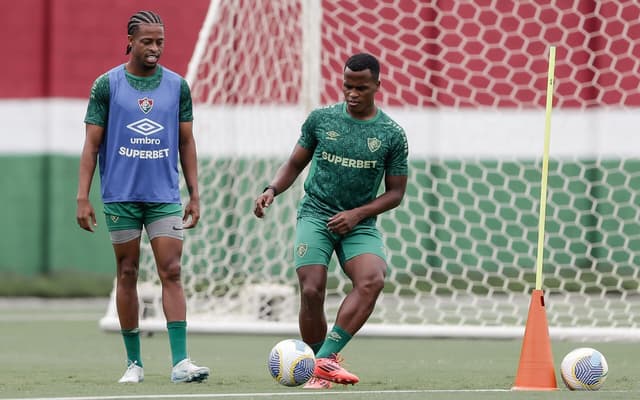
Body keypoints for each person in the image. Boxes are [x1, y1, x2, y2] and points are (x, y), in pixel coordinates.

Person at [254, 53, 408, 389]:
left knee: (372, 280)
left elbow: (396, 193)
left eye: (361, 88)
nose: (352, 93)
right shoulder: (321, 120)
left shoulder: (391, 134)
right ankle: (317, 366)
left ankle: (323, 359)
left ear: (377, 86)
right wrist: (272, 189)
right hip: (317, 213)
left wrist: (357, 215)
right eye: (347, 86)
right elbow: (294, 164)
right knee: (311, 289)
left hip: (360, 221)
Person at [76, 10, 209, 384]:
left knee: (172, 270)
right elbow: (91, 146)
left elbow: (186, 141)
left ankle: (181, 363)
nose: (154, 48)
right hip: (120, 196)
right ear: (130, 41)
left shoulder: (178, 87)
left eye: (160, 42)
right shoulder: (107, 85)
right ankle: (133, 364)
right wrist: (82, 197)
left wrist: (195, 193)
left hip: (163, 195)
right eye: (147, 41)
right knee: (128, 272)